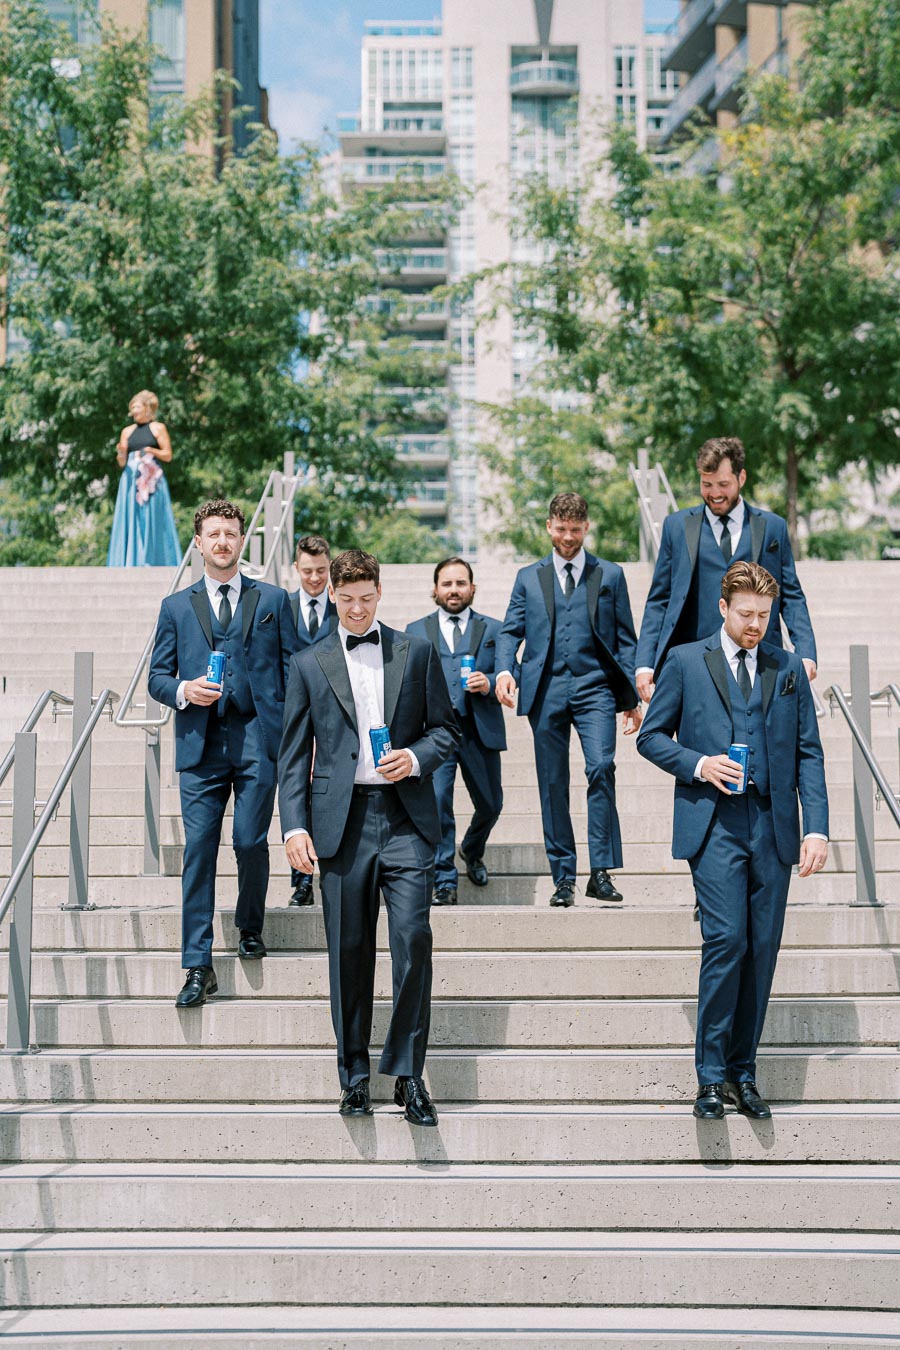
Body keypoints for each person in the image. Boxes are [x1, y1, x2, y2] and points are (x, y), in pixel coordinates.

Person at [637, 561, 828, 1121]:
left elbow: (809, 752)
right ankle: (710, 1077)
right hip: (715, 823)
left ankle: (745, 1074)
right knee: (727, 942)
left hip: (773, 827)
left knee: (762, 951)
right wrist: (699, 763)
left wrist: (815, 826)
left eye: (765, 616)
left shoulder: (788, 666)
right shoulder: (684, 661)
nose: (756, 625)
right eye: (746, 614)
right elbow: (650, 738)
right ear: (723, 608)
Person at [279, 549, 460, 1126]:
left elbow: (447, 731)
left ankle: (408, 1074)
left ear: (380, 593)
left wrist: (416, 755)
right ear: (332, 595)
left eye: (367, 599)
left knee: (414, 940)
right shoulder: (309, 662)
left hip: (405, 818)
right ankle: (354, 1076)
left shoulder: (418, 650)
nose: (357, 610)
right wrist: (294, 824)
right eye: (347, 599)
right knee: (348, 955)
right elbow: (290, 755)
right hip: (341, 825)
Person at [148, 500, 299, 1007]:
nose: (222, 541)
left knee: (251, 840)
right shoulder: (175, 607)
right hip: (200, 744)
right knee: (198, 852)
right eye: (212, 534)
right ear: (198, 543)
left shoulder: (274, 599)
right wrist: (185, 690)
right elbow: (156, 678)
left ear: (241, 540)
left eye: (230, 533)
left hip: (259, 736)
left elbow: (293, 670)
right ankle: (197, 964)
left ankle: (250, 925)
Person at [495, 492, 642, 908]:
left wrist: (629, 694)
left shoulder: (609, 575)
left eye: (575, 530)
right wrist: (505, 670)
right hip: (545, 689)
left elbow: (626, 640)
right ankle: (564, 878)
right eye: (561, 529)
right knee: (553, 784)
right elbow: (510, 632)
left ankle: (600, 870)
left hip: (595, 687)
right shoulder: (528, 577)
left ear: (586, 527)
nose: (568, 537)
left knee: (601, 767)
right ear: (548, 527)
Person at [635, 436, 817, 705]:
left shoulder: (772, 527)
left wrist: (806, 652)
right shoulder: (676, 527)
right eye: (706, 484)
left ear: (741, 478)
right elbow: (659, 600)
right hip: (694, 662)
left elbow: (790, 595)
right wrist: (644, 664)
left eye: (723, 484)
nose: (715, 493)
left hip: (758, 659)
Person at [406, 557, 507, 906]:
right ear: (435, 590)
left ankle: (473, 850)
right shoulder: (415, 630)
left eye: (460, 583)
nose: (454, 590)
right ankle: (444, 879)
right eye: (447, 584)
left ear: (472, 588)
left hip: (480, 729)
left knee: (492, 804)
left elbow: (515, 672)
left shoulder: (494, 630)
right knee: (437, 802)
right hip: (436, 732)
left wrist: (490, 682)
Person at [287, 534, 336, 907]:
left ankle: (329, 872)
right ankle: (301, 881)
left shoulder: (343, 608)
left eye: (321, 571)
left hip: (333, 715)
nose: (315, 578)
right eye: (308, 571)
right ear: (295, 569)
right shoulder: (281, 608)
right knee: (296, 794)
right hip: (292, 713)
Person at [107, 390, 181, 567]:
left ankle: (156, 560)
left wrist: (151, 451)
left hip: (152, 478)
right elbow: (121, 462)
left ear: (147, 408)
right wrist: (121, 452)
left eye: (137, 407)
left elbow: (168, 455)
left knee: (152, 516)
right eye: (132, 408)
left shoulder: (158, 428)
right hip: (131, 479)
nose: (134, 411)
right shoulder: (126, 431)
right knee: (130, 516)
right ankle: (130, 560)